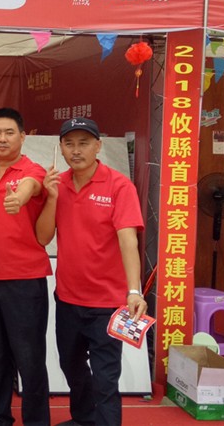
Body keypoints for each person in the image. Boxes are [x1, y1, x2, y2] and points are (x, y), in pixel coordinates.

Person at [35, 117, 146, 426]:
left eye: (84, 143)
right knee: (71, 366)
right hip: (68, 299)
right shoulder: (57, 185)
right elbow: (43, 237)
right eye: (69, 144)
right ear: (60, 148)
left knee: (106, 377)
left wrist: (133, 291)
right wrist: (51, 197)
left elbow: (128, 241)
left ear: (98, 146)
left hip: (107, 304)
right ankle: (85, 419)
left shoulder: (119, 186)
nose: (76, 150)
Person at [0, 107, 51, 426]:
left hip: (25, 280)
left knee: (29, 359)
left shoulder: (33, 170)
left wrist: (17, 198)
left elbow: (30, 187)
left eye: (9, 133)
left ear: (22, 137)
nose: (2, 139)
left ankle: (36, 421)